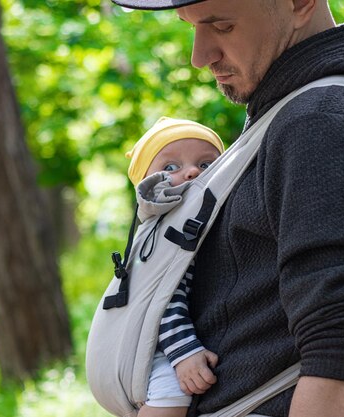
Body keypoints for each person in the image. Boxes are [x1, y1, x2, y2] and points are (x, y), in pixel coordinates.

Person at [110, 0, 344, 416]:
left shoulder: (316, 121)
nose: (200, 56)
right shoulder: (295, 108)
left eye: (222, 26)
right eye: (191, 26)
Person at [124, 116, 225, 417]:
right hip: (164, 344)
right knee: (170, 395)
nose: (193, 171)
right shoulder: (166, 228)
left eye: (206, 164)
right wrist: (184, 353)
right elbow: (162, 299)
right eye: (170, 168)